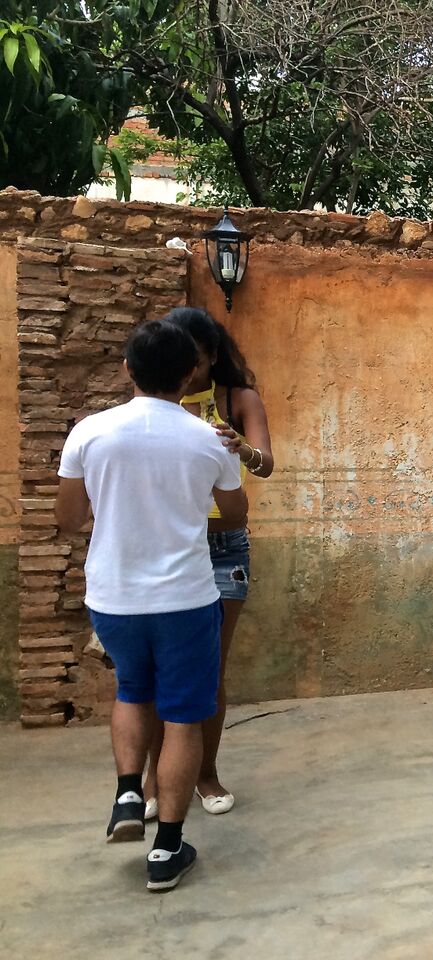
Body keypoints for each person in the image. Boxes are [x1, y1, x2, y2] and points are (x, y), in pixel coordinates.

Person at [55, 319, 247, 891]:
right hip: (185, 598)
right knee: (185, 715)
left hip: (113, 597)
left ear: (127, 369)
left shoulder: (89, 433)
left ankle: (127, 792)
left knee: (133, 690)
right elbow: (234, 516)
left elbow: (67, 518)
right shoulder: (208, 438)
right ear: (190, 373)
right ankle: (166, 849)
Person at [142, 307, 274, 818]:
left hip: (223, 549)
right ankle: (156, 779)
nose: (185, 373)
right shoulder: (156, 402)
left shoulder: (238, 399)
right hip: (170, 545)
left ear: (212, 357)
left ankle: (206, 774)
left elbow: (266, 464)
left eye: (193, 362)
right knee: (160, 671)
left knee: (209, 670)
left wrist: (240, 448)